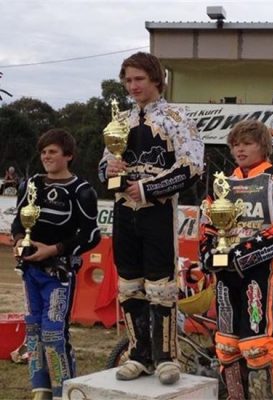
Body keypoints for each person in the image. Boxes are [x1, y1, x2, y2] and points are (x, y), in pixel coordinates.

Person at [98, 52, 204, 384]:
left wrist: (146, 189)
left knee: (161, 286)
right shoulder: (119, 123)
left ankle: (166, 356)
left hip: (158, 211)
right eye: (128, 80)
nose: (133, 86)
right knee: (129, 284)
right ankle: (138, 352)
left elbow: (192, 166)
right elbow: (103, 168)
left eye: (139, 79)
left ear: (156, 79)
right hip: (122, 212)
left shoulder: (177, 117)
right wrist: (110, 171)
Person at [200, 119, 273, 399]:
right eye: (235, 145)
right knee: (225, 345)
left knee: (257, 345)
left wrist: (247, 252)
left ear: (264, 146)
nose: (240, 150)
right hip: (223, 274)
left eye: (247, 143)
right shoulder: (223, 182)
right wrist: (208, 253)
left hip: (257, 272)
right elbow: (207, 223)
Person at [11, 128, 101, 400]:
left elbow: (91, 235)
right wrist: (18, 241)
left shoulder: (82, 190)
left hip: (59, 273)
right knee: (33, 332)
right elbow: (18, 222)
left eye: (52, 151)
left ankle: (64, 392)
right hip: (30, 271)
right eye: (43, 152)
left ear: (69, 155)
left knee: (53, 334)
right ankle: (41, 390)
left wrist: (54, 249)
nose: (46, 156)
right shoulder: (31, 184)